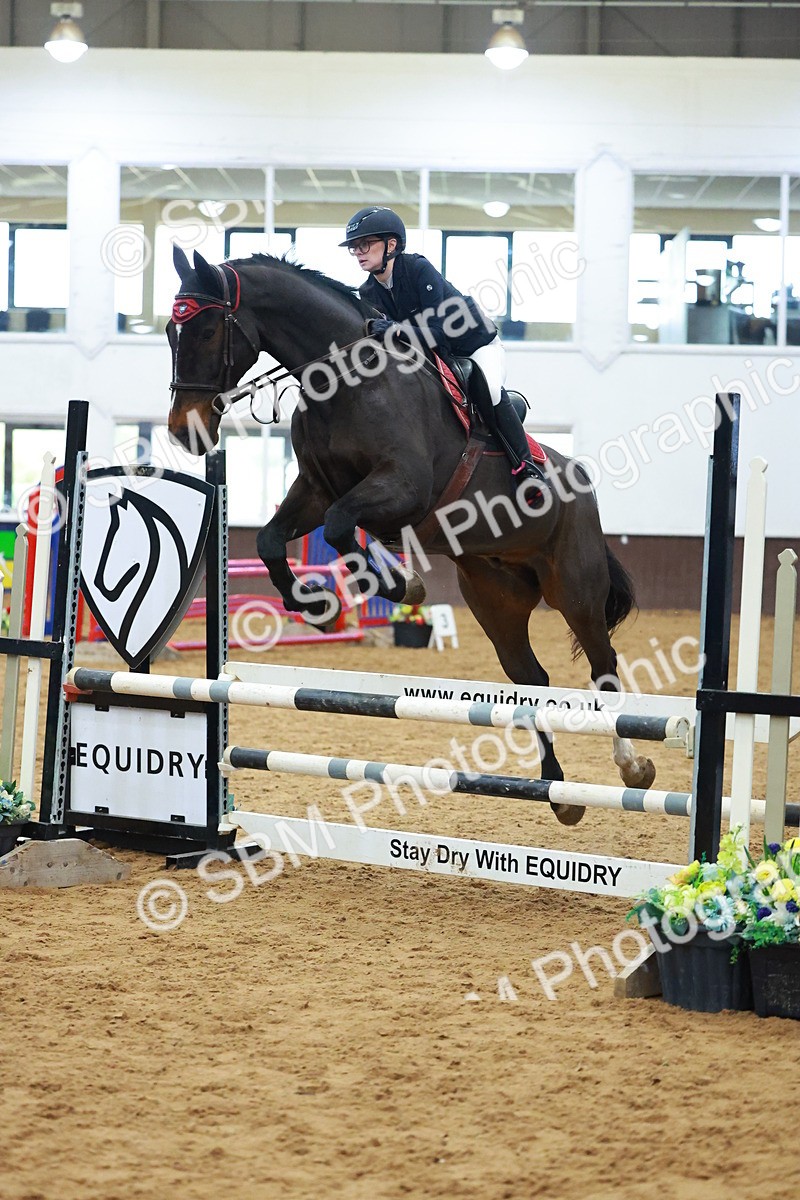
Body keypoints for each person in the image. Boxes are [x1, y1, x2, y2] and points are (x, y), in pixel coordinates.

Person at [340, 206, 544, 491]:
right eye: (354, 247)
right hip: (436, 355)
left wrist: (395, 330)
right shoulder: (368, 292)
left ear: (391, 245)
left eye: (365, 244)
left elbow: (438, 334)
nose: (358, 252)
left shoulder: (417, 269)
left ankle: (528, 470)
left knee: (490, 389)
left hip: (474, 345)